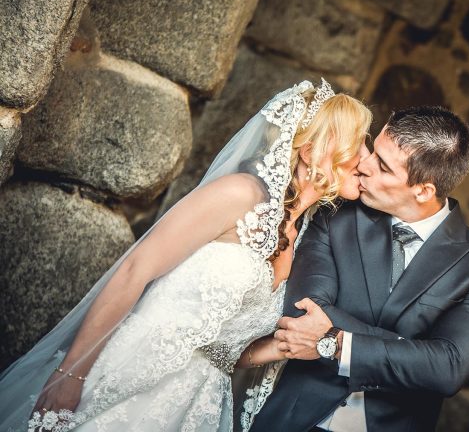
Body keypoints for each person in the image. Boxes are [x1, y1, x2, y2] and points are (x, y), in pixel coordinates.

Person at [0, 80, 372, 432]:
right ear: (309, 151)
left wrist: (282, 346)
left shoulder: (303, 236)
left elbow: (226, 351)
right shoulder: (238, 195)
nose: (366, 157)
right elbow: (136, 269)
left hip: (197, 403)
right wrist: (72, 373)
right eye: (358, 144)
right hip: (131, 370)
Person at [249, 106, 469, 431]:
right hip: (295, 420)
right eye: (374, 151)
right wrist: (415, 351)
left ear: (423, 190)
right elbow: (304, 311)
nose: (363, 165)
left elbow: (448, 369)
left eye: (383, 166)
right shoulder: (336, 214)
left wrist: (336, 342)